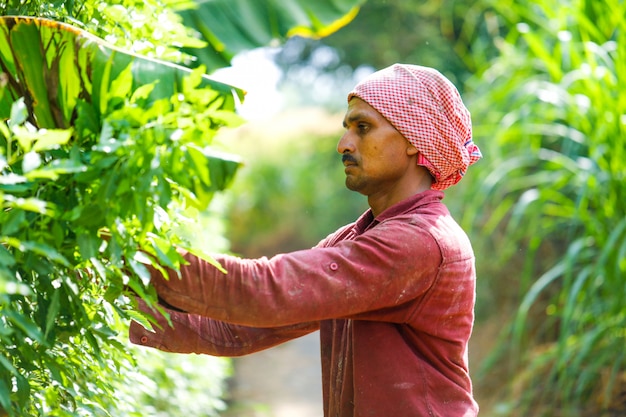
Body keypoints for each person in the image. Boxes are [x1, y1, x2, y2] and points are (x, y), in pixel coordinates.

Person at [130, 63, 482, 417]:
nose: (344, 144)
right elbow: (237, 329)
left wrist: (137, 257)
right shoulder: (358, 237)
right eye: (347, 129)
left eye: (363, 128)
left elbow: (268, 290)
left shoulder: (420, 243)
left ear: (412, 140)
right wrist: (120, 297)